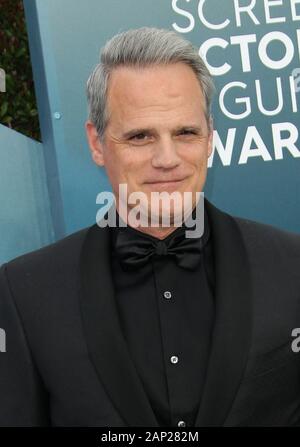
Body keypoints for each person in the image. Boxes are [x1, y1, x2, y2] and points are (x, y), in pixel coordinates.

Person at [0, 27, 300, 428]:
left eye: (186, 132)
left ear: (210, 137)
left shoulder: (292, 266)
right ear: (96, 142)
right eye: (140, 136)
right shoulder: (24, 292)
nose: (167, 158)